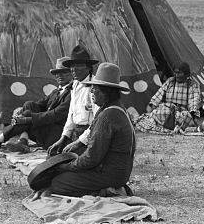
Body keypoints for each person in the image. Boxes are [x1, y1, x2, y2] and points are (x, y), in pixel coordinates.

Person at [44, 62, 136, 197]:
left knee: (57, 183)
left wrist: (65, 167)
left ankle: (108, 190)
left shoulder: (108, 116)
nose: (91, 92)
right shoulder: (114, 109)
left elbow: (91, 159)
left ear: (106, 92)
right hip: (116, 171)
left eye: (95, 89)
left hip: (110, 174)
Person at [0, 57, 73, 151]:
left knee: (27, 115)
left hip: (58, 136)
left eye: (64, 72)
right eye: (57, 73)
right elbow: (39, 104)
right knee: (29, 105)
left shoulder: (73, 92)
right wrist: (21, 113)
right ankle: (23, 141)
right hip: (47, 129)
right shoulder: (56, 91)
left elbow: (56, 114)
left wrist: (27, 118)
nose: (60, 75)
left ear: (72, 73)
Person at [47, 45, 99, 156]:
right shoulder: (75, 84)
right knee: (53, 156)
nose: (73, 69)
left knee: (69, 163)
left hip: (90, 136)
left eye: (78, 65)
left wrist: (79, 142)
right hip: (76, 133)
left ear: (88, 67)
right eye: (72, 66)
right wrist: (63, 137)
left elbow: (97, 122)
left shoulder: (96, 87)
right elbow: (71, 114)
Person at [140, 62, 203, 133]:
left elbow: (194, 102)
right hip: (167, 110)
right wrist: (150, 110)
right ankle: (167, 126)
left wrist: (194, 116)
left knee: (186, 116)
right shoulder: (170, 82)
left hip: (181, 112)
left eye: (180, 73)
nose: (177, 75)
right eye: (176, 73)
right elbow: (157, 97)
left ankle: (175, 127)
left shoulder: (193, 85)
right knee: (155, 113)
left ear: (186, 74)